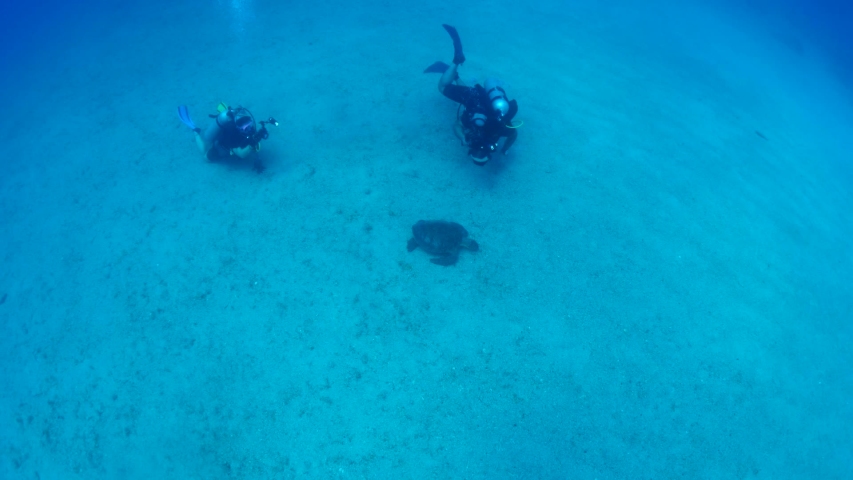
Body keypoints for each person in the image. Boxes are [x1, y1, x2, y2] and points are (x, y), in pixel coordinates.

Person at [424, 24, 520, 166]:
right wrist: (462, 137)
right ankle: (456, 62)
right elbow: (457, 125)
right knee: (444, 88)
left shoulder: (497, 128)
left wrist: (505, 148)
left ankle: (454, 74)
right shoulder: (479, 131)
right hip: (475, 99)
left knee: (469, 97)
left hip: (481, 98)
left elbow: (513, 134)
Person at [177, 103, 278, 172]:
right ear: (238, 127)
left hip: (235, 142)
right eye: (244, 127)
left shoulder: (251, 129)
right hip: (222, 146)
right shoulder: (232, 134)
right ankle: (196, 131)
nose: (248, 129)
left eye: (249, 124)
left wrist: (257, 159)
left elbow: (255, 145)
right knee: (206, 156)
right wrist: (251, 146)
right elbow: (240, 154)